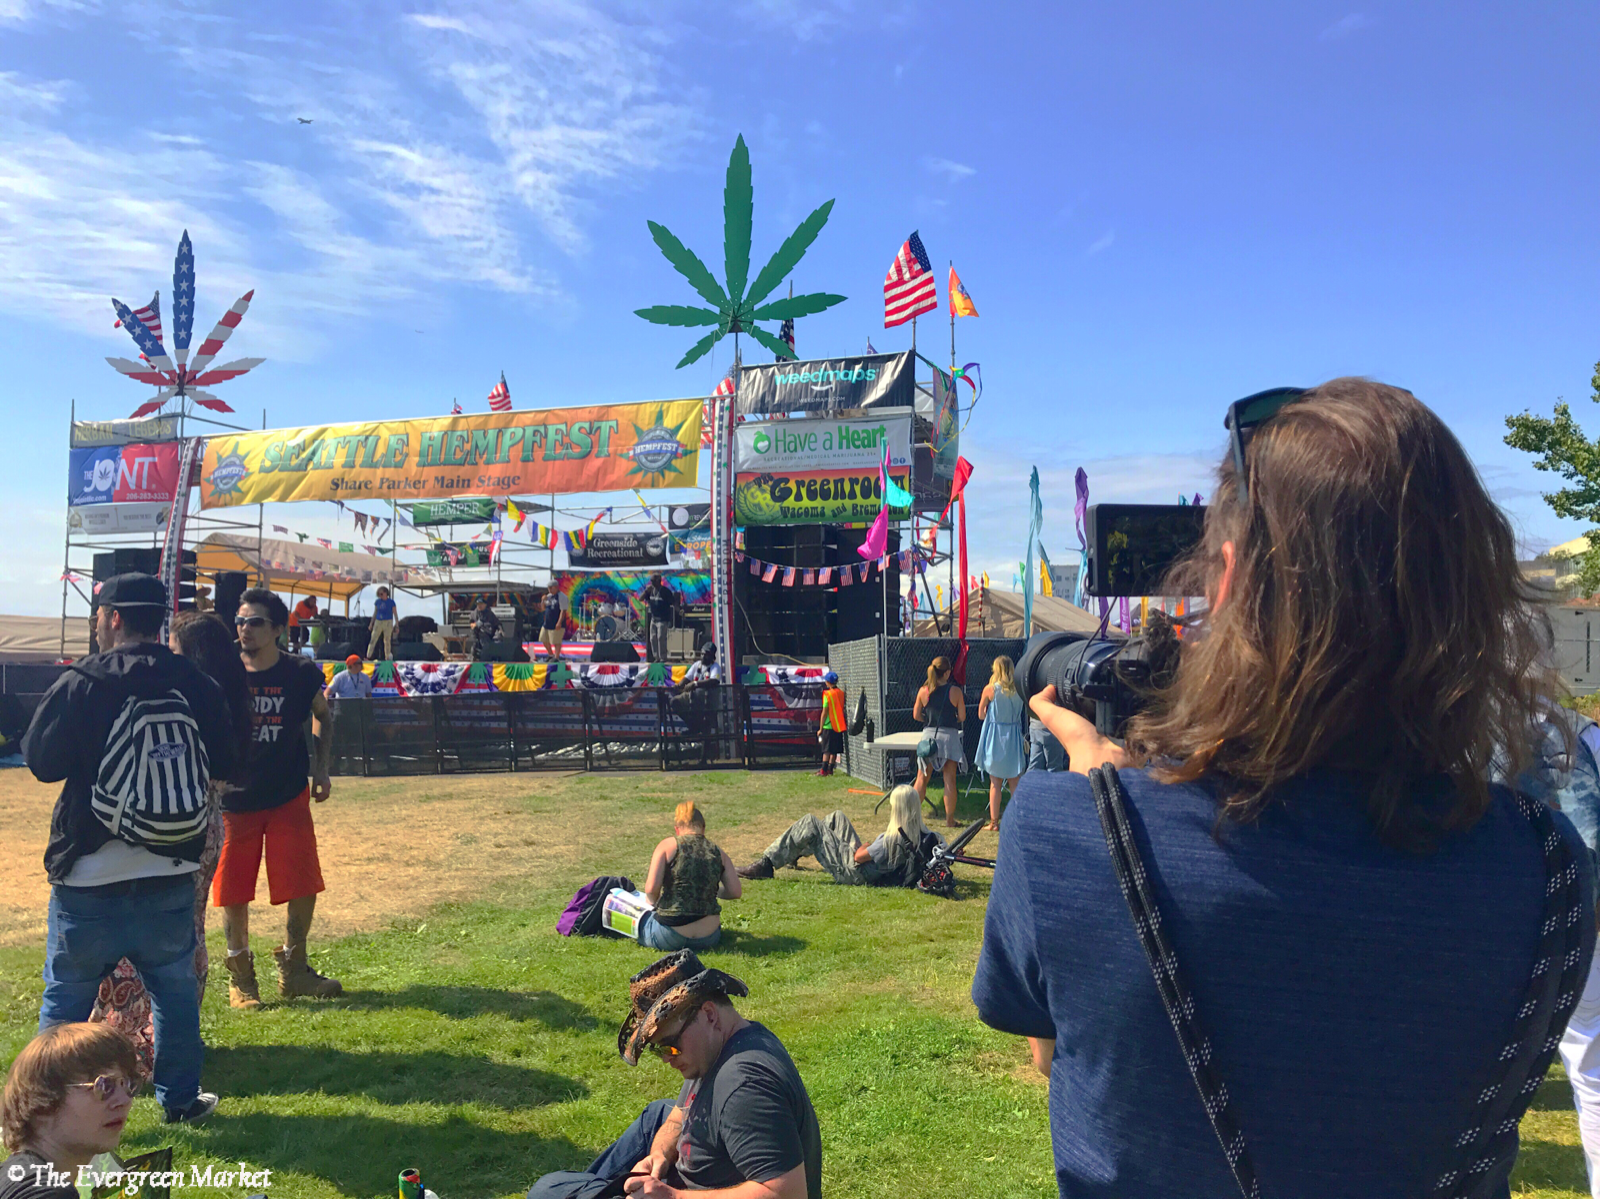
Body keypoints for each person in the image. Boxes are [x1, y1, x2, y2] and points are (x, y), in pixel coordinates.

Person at [972, 379, 1598, 1195]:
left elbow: (1042, 1032)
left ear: (1227, 583)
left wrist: (1110, 809)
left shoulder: (1066, 836)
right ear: (1468, 599)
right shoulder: (1550, 872)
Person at [21, 573, 235, 1125]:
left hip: (88, 872)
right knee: (175, 998)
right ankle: (181, 1101)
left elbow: (42, 762)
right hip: (169, 867)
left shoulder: (83, 681)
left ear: (113, 617)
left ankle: (46, 1112)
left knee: (65, 1002)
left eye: (98, 616)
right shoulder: (193, 680)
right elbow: (230, 761)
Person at [88, 611, 254, 1071]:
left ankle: (132, 1041)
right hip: (204, 821)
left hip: (168, 823)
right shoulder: (227, 696)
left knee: (146, 933)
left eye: (176, 650)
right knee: (187, 931)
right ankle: (172, 1037)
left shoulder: (188, 694)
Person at [525, 951, 820, 1199]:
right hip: (702, 1175)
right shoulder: (725, 1042)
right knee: (657, 1115)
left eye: (671, 1046)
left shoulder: (742, 1086)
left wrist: (673, 1196)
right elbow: (681, 1112)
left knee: (548, 1189)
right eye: (658, 1050)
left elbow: (787, 1193)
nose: (667, 1058)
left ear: (709, 1014)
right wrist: (659, 1156)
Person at [215, 588, 342, 1008]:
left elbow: (323, 716)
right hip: (235, 797)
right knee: (233, 888)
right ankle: (241, 977)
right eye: (240, 620)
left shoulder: (300, 673)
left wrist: (321, 768)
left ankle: (295, 969)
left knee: (302, 881)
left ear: (276, 629)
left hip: (288, 794)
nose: (244, 629)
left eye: (254, 622)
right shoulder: (223, 671)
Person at [1, 1023, 142, 1200]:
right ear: (43, 1102)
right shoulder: (46, 1194)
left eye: (126, 1084)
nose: (124, 1101)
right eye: (104, 1086)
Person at [738, 785, 943, 887]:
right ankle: (792, 853)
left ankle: (767, 864)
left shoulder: (891, 840)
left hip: (855, 872)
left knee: (811, 823)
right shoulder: (926, 835)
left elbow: (858, 857)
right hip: (870, 866)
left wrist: (867, 846)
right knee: (837, 818)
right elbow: (943, 848)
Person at [637, 803, 741, 952]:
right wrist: (708, 888)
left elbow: (651, 889)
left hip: (669, 934)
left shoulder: (668, 845)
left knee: (637, 921)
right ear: (703, 827)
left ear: (677, 828)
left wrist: (653, 904)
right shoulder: (719, 852)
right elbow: (735, 891)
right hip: (709, 937)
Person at [913, 656, 966, 826]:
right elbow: (962, 717)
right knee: (949, 779)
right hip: (949, 737)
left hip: (928, 736)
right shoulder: (955, 691)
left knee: (921, 777)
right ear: (948, 672)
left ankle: (911, 816)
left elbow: (916, 715)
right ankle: (949, 819)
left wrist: (928, 720)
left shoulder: (924, 691)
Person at [974, 655, 1026, 830]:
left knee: (995, 782)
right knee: (1014, 781)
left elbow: (981, 714)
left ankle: (994, 822)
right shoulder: (1019, 689)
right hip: (1013, 735)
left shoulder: (990, 689)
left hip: (996, 737)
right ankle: (1018, 819)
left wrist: (989, 710)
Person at [671, 644, 721, 765]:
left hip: (707, 702)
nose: (703, 656)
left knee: (706, 729)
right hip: (692, 699)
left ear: (712, 656)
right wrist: (679, 685)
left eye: (707, 654)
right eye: (702, 653)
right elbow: (686, 678)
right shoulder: (696, 665)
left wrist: (696, 684)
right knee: (674, 702)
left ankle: (703, 759)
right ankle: (694, 727)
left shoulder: (715, 667)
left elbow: (714, 680)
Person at [641, 573, 678, 663]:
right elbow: (640, 599)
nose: (652, 583)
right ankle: (656, 657)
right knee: (652, 638)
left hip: (663, 618)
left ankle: (663, 657)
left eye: (653, 581)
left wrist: (679, 610)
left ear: (659, 581)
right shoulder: (650, 591)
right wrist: (646, 591)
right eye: (651, 581)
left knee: (661, 637)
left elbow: (673, 602)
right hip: (654, 618)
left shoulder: (665, 591)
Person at [816, 671, 845, 778]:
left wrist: (820, 728)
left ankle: (823, 770)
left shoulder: (827, 694)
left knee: (826, 749)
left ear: (828, 682)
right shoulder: (841, 693)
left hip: (829, 724)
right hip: (839, 725)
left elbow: (825, 712)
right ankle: (830, 769)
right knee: (834, 749)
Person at [367, 587, 396, 661]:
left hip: (388, 621)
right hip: (378, 621)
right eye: (379, 594)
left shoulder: (391, 602)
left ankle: (387, 657)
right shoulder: (378, 602)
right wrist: (371, 623)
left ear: (386, 593)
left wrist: (397, 624)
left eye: (382, 594)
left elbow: (395, 613)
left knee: (387, 640)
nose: (380, 596)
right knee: (373, 638)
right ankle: (368, 656)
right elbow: (375, 612)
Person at [539, 589, 564, 661]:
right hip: (547, 622)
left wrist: (559, 622)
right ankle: (550, 654)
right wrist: (543, 601)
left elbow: (563, 611)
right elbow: (542, 608)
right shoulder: (548, 597)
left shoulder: (560, 597)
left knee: (556, 641)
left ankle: (556, 657)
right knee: (543, 638)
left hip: (555, 622)